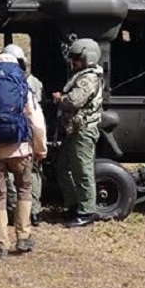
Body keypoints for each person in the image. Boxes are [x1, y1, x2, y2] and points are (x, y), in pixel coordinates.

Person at [0, 52, 47, 257]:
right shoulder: (23, 88)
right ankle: (23, 238)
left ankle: (0, 245)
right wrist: (40, 149)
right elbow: (37, 122)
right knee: (24, 189)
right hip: (21, 149)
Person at [51, 38, 104, 228]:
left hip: (82, 131)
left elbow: (74, 101)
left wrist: (60, 99)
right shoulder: (82, 76)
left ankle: (87, 211)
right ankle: (74, 204)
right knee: (63, 167)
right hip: (74, 130)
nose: (73, 62)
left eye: (77, 58)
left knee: (83, 171)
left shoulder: (88, 79)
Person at [0, 44, 44, 226]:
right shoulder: (33, 82)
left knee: (8, 178)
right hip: (27, 135)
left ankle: (12, 210)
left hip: (4, 137)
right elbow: (35, 111)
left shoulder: (0, 81)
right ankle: (33, 212)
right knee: (31, 175)